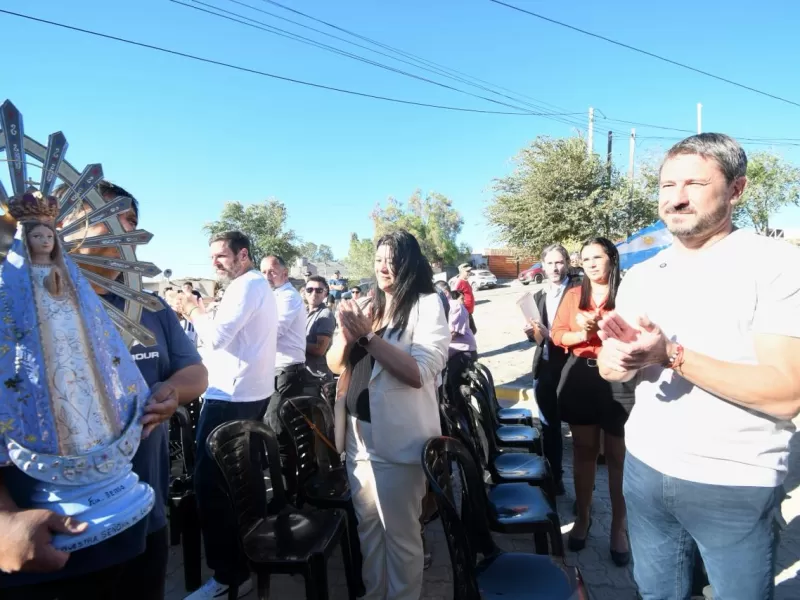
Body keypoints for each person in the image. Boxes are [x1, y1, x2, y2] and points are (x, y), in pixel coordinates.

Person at [597, 133, 800, 599]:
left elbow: (787, 392)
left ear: (736, 189)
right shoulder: (645, 274)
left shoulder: (774, 264)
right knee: (656, 593)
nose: (677, 197)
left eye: (693, 183)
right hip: (645, 472)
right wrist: (616, 359)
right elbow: (617, 372)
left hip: (733, 480)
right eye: (667, 185)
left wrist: (671, 355)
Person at [0, 181, 208, 600]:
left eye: (134, 220)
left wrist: (171, 389)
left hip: (141, 518)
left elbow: (196, 372)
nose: (128, 231)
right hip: (46, 542)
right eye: (114, 217)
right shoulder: (12, 301)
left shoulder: (147, 306)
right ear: (64, 223)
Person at [327, 230, 449, 600]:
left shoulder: (427, 304)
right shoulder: (367, 306)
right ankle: (373, 594)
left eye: (392, 259)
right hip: (358, 437)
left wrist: (368, 339)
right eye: (379, 259)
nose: (384, 267)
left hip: (400, 441)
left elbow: (419, 372)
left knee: (400, 535)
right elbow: (335, 365)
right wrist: (347, 339)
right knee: (368, 527)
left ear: (409, 262)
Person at [180, 231, 277, 600]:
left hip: (230, 397)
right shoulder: (251, 286)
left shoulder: (246, 286)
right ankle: (247, 564)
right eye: (212, 258)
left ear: (243, 255)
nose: (215, 263)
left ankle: (228, 576)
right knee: (242, 485)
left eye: (221, 256)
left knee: (212, 488)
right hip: (242, 394)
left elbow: (217, 337)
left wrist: (192, 310)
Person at [551, 237, 633, 566]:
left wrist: (612, 330)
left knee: (617, 456)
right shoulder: (573, 295)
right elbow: (558, 336)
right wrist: (584, 334)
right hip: (581, 377)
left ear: (611, 258)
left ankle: (619, 527)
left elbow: (641, 335)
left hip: (619, 379)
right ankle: (583, 518)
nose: (591, 263)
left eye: (597, 257)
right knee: (584, 452)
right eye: (585, 259)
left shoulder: (629, 293)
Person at [523, 243, 578, 496]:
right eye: (550, 263)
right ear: (542, 266)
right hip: (545, 369)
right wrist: (531, 333)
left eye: (559, 262)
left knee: (581, 433)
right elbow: (537, 339)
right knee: (549, 428)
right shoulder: (538, 296)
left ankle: (585, 495)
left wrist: (553, 336)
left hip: (574, 369)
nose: (555, 268)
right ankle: (554, 478)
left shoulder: (580, 291)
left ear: (566, 263)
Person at [260, 255, 307, 432]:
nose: (267, 277)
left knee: (277, 427)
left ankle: (285, 461)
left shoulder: (288, 297)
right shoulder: (273, 296)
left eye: (272, 272)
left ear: (285, 273)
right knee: (270, 424)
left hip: (286, 371)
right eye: (263, 272)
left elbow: (274, 331)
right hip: (275, 370)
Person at [304, 276, 336, 380]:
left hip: (318, 378)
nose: (314, 293)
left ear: (325, 294)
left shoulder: (325, 315)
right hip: (304, 373)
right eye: (309, 290)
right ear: (305, 292)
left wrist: (294, 343)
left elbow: (319, 349)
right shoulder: (302, 312)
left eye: (319, 290)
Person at [453, 262, 477, 334]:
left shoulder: (466, 281)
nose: (469, 273)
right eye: (467, 271)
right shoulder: (459, 282)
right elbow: (455, 298)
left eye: (469, 271)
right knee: (471, 331)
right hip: (464, 312)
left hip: (468, 312)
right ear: (461, 271)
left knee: (472, 331)